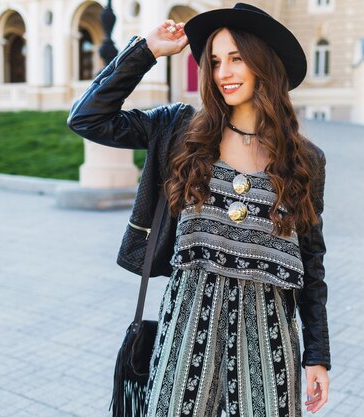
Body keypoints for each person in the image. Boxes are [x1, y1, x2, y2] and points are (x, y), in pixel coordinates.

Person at [67, 3, 330, 416]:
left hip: (268, 331)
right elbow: (87, 119)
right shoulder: (181, 130)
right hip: (188, 322)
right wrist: (146, 50)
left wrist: (317, 354)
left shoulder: (303, 160)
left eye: (237, 59)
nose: (223, 72)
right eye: (215, 61)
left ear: (266, 63)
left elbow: (311, 262)